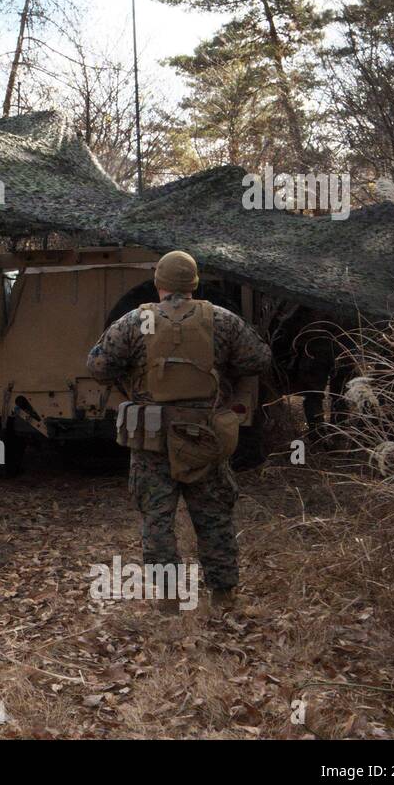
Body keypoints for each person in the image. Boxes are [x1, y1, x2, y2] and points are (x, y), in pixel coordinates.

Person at [86, 250, 272, 613]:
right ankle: (223, 596)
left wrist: (133, 380)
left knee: (158, 521)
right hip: (204, 437)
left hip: (152, 438)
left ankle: (170, 600)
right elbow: (259, 359)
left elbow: (98, 366)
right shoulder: (221, 319)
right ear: (195, 285)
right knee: (213, 516)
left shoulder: (135, 320)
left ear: (158, 284)